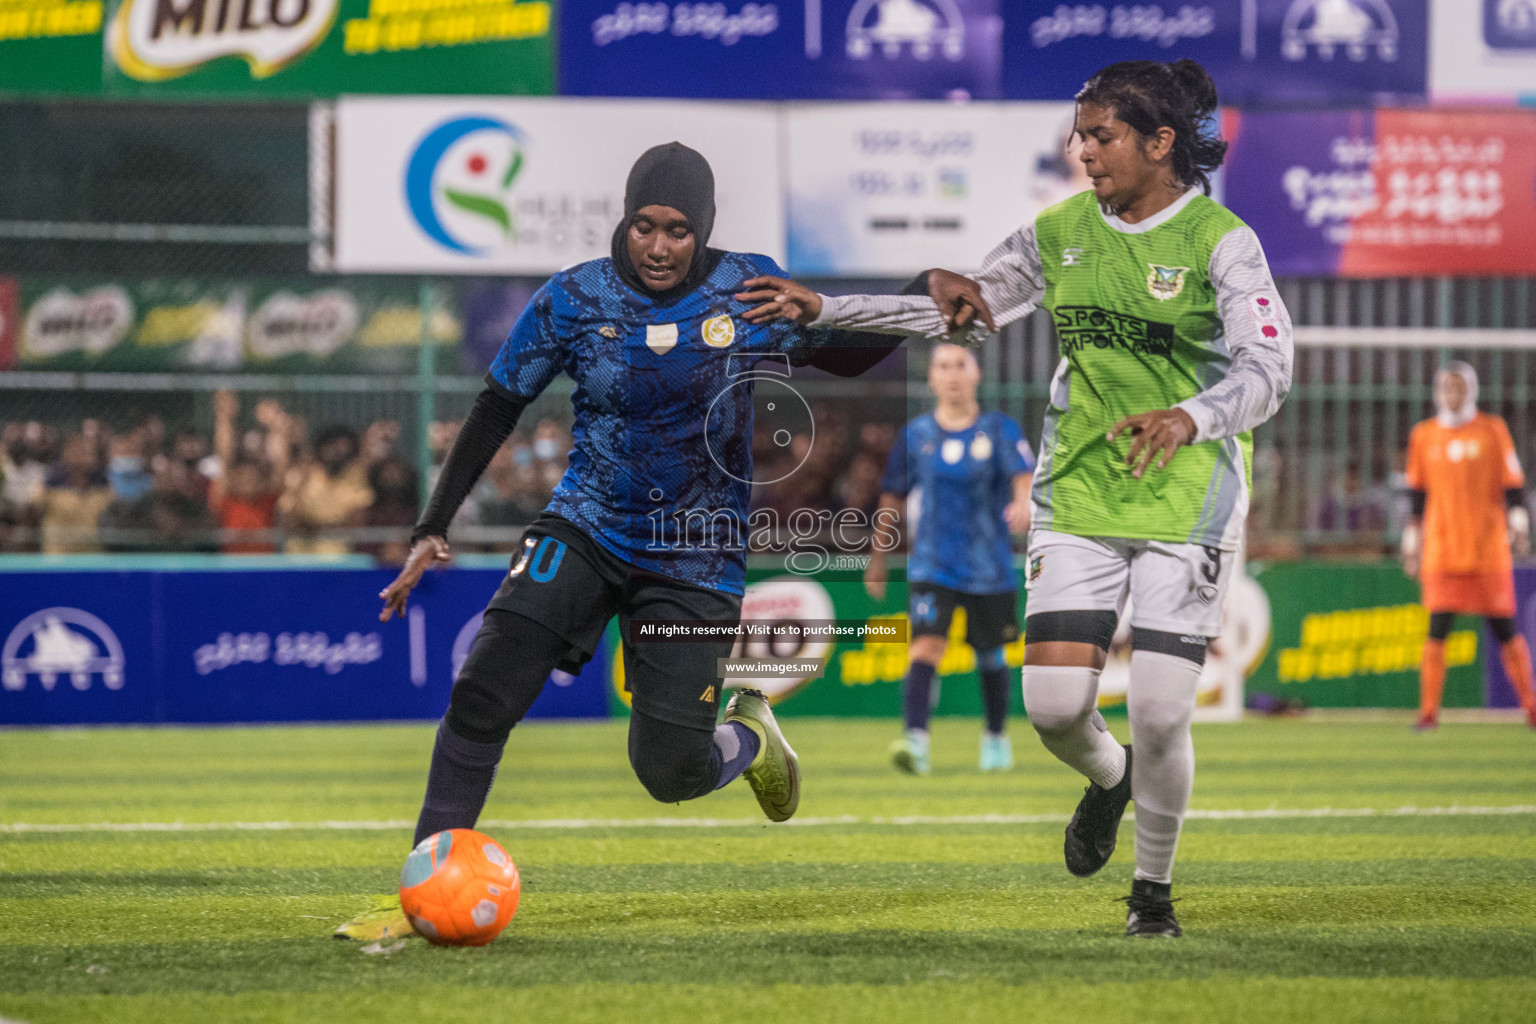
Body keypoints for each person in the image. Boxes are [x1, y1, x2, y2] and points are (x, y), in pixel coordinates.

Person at [740, 60, 1293, 937]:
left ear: (1159, 143)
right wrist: (826, 309)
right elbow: (955, 313)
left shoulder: (1222, 243)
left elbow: (1271, 369)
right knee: (1055, 710)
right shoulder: (1060, 232)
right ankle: (1109, 782)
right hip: (1077, 494)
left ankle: (1152, 894)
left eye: (1100, 135)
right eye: (1078, 135)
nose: (1082, 151)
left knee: (1156, 710)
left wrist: (1190, 418)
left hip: (1188, 498)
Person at [336, 142, 906, 942]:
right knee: (482, 690)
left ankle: (748, 738)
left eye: (678, 230)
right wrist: (433, 525)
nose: (659, 246)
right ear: (625, 220)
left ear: (702, 231)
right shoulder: (572, 298)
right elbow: (498, 404)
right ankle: (418, 893)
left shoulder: (748, 288)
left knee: (669, 773)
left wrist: (901, 300)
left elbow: (849, 358)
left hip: (695, 554)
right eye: (645, 226)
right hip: (585, 524)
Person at [865, 342, 1034, 775]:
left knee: (992, 656)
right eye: (943, 366)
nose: (953, 374)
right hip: (932, 565)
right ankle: (915, 742)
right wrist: (878, 557)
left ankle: (995, 739)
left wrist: (1023, 505)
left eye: (961, 365)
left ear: (975, 374)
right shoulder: (917, 435)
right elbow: (892, 498)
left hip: (989, 567)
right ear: (932, 378)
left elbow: (1023, 479)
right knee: (924, 646)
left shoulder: (1000, 429)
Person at [1403, 362, 1536, 730]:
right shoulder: (1424, 435)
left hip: (1487, 550)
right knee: (1437, 630)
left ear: (1472, 391)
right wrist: (1411, 540)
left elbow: (1514, 486)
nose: (1454, 394)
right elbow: (1417, 494)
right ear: (1438, 392)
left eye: (1460, 387)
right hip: (1443, 551)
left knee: (1505, 631)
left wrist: (1519, 522)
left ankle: (1531, 707)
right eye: (1448, 387)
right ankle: (1428, 713)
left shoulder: (1492, 431)